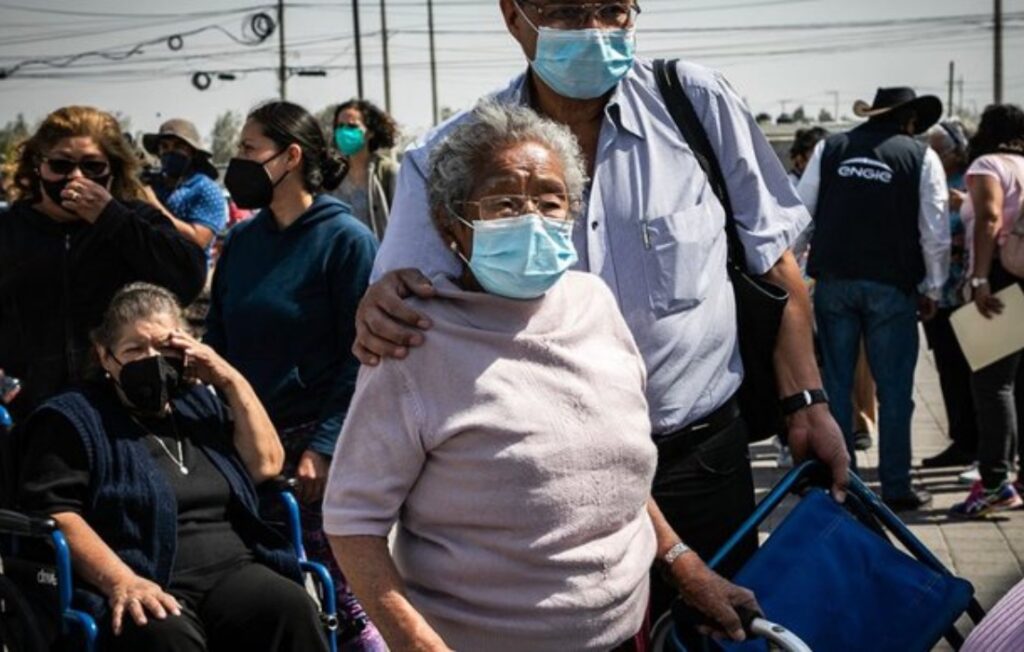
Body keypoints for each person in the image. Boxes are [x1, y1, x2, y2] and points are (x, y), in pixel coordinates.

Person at [352, 0, 850, 630]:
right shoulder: (455, 156)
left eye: (611, 9)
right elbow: (405, 309)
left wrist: (807, 402)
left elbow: (773, 265)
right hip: (547, 494)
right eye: (564, 10)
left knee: (719, 633)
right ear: (513, 16)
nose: (592, 31)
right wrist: (379, 307)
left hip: (701, 458)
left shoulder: (695, 103)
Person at [325, 101, 760, 652]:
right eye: (505, 203)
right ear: (450, 223)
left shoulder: (595, 303)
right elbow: (352, 521)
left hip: (628, 636)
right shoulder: (413, 341)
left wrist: (684, 565)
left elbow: (612, 472)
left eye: (550, 202)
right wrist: (416, 643)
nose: (532, 220)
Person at [16, 282, 328, 652]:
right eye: (134, 349)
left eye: (165, 347)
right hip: (143, 573)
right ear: (104, 355)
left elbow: (265, 465)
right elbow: (58, 512)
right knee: (164, 634)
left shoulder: (198, 404)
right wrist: (122, 581)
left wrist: (228, 378)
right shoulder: (73, 418)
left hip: (232, 569)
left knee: (290, 606)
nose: (152, 360)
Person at [205, 100, 385, 649]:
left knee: (344, 600)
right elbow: (218, 341)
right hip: (243, 447)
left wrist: (325, 447)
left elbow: (364, 357)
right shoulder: (240, 242)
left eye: (248, 149)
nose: (237, 161)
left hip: (315, 455)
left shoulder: (345, 241)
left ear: (290, 157)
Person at [0, 106, 206, 422]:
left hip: (122, 408)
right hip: (28, 410)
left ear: (113, 170)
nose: (76, 177)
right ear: (38, 167)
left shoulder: (134, 219)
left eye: (93, 167)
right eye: (61, 165)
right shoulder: (11, 228)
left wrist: (111, 218)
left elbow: (188, 276)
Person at [797, 87, 951, 511]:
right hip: (892, 287)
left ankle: (840, 487)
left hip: (834, 283)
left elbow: (801, 214)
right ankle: (897, 487)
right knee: (895, 392)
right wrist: (933, 288)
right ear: (907, 120)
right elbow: (933, 230)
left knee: (837, 386)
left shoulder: (831, 147)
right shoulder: (920, 157)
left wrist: (793, 272)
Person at [950, 103, 1024, 517]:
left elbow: (992, 217)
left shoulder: (987, 163)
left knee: (993, 384)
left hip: (998, 278)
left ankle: (996, 483)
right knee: (1019, 382)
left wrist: (979, 279)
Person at [921, 118, 980, 473]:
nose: (932, 155)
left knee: (973, 370)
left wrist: (965, 215)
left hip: (966, 294)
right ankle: (961, 439)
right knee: (948, 368)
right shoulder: (932, 180)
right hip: (940, 294)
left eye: (938, 149)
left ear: (957, 151)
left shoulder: (972, 182)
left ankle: (978, 443)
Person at [142, 119, 228, 265]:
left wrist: (154, 204)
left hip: (185, 274)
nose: (170, 152)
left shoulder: (205, 188)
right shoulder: (151, 184)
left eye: (178, 146)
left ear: (192, 152)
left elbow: (198, 240)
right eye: (164, 146)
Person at [331, 99, 400, 240]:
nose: (344, 132)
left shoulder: (387, 172)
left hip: (377, 258)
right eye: (340, 126)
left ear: (370, 132)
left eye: (352, 126)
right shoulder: (332, 174)